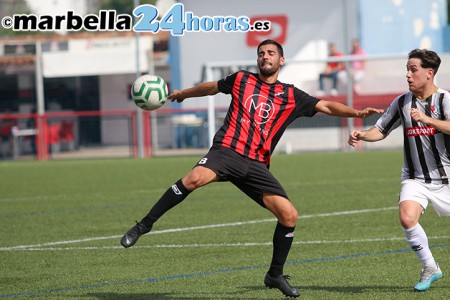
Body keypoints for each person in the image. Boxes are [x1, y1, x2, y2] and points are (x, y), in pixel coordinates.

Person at [121, 39, 383, 298]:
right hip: (227, 151)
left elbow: (325, 105)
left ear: (281, 60)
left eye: (270, 53)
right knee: (194, 178)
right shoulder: (241, 79)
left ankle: (275, 275)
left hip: (256, 164)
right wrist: (182, 94)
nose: (265, 56)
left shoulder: (291, 95)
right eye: (261, 53)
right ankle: (144, 225)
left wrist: (357, 114)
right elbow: (211, 87)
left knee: (289, 215)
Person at [348, 49, 448, 292]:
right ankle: (430, 267)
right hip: (416, 179)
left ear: (429, 73)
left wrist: (428, 120)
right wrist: (363, 134)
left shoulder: (445, 99)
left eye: (413, 70)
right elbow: (380, 130)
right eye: (407, 69)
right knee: (406, 217)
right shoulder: (402, 101)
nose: (408, 75)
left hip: (447, 179)